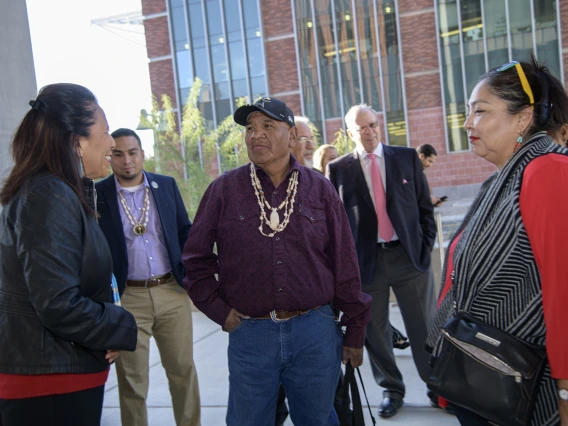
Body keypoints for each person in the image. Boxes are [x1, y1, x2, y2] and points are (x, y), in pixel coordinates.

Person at [183, 97, 371, 426]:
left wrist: (355, 330)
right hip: (250, 333)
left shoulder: (320, 190)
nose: (256, 135)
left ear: (292, 136)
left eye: (268, 126)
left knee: (318, 420)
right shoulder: (224, 189)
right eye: (250, 128)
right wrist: (218, 311)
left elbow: (344, 263)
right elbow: (195, 258)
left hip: (314, 331)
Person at [427, 58, 568, 425]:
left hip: (524, 384)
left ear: (522, 118)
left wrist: (566, 389)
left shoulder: (546, 171)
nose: (467, 123)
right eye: (468, 112)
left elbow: (563, 289)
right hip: (486, 376)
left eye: (481, 111)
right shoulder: (508, 177)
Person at [0, 83, 138, 426]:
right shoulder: (48, 195)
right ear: (77, 143)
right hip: (49, 385)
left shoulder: (56, 191)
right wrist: (119, 325)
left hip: (58, 375)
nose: (111, 143)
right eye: (105, 133)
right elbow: (57, 304)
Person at [327, 104, 437, 418]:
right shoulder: (338, 169)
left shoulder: (405, 158)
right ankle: (392, 389)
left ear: (380, 125)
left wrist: (423, 249)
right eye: (361, 127)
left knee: (423, 329)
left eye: (373, 124)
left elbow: (423, 208)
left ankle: (437, 388)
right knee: (375, 332)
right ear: (350, 132)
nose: (369, 131)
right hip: (367, 264)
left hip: (408, 258)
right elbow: (336, 225)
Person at [96, 128, 200, 426]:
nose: (126, 160)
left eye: (132, 152)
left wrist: (193, 271)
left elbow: (184, 230)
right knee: (132, 381)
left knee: (183, 372)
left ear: (143, 154)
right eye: (118, 154)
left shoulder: (165, 185)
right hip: (128, 299)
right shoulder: (97, 194)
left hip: (171, 291)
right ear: (110, 157)